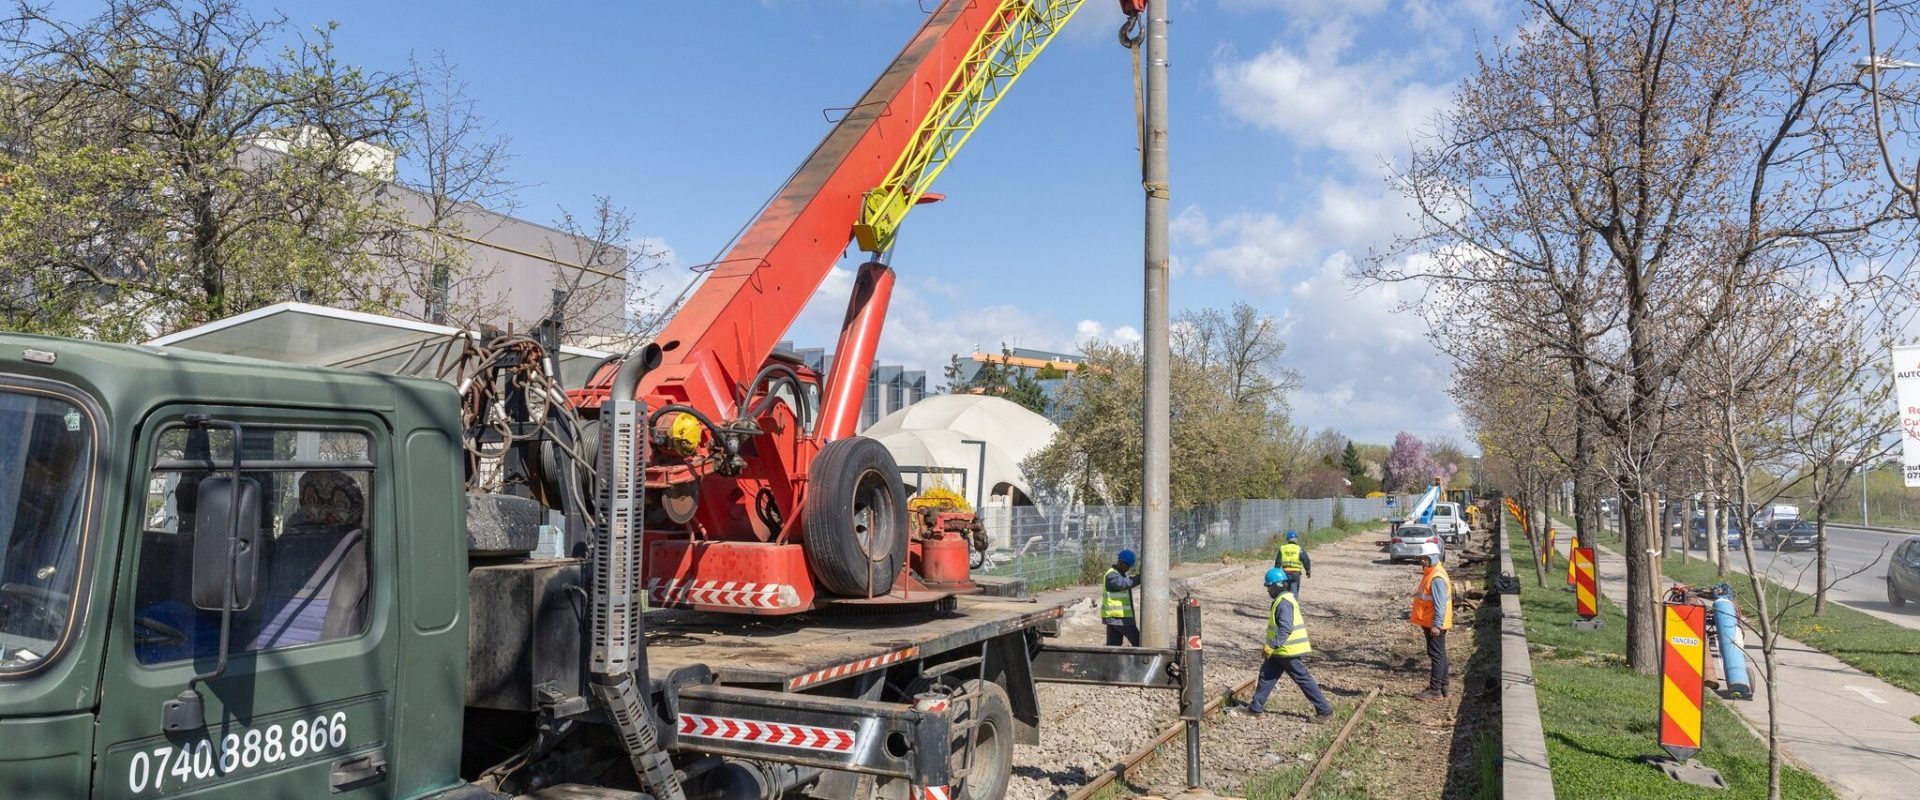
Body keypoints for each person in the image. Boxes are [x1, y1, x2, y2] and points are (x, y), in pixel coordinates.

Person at [1227, 568, 1335, 723]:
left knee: (1303, 679)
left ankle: (1325, 711)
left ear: (1277, 585)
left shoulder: (1284, 603)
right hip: (1280, 650)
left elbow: (1286, 628)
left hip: (1287, 650)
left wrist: (1273, 645)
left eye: (1269, 587)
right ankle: (1256, 708)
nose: (1268, 590)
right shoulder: (1284, 599)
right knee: (1267, 675)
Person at [1410, 551, 1453, 701]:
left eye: (1425, 558)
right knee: (1439, 654)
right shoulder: (1433, 572)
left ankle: (1435, 691)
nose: (1422, 561)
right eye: (1421, 558)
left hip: (1434, 624)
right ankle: (1443, 686)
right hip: (1431, 622)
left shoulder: (1436, 577)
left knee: (1436, 655)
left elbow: (1440, 604)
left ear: (1433, 558)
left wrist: (1437, 625)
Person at [1102, 549, 1142, 646]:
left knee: (1113, 645)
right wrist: (1140, 578)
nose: (1128, 568)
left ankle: (1110, 661)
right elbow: (1123, 584)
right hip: (1119, 617)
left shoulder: (1119, 574)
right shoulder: (1112, 575)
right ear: (1120, 563)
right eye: (1127, 566)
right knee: (1138, 641)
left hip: (1115, 617)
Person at [1272, 530, 1311, 597]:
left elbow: (1278, 562)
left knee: (1284, 592)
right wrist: (1308, 571)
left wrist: (1276, 574)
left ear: (1287, 539)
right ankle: (1293, 605)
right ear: (1296, 539)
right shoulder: (1299, 549)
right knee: (1294, 593)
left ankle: (1284, 605)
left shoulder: (1282, 548)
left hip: (1285, 574)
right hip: (1295, 574)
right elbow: (1306, 561)